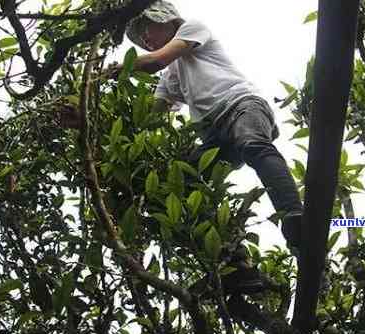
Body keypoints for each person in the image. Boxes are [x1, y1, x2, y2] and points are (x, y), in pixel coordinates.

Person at [112, 0, 304, 293]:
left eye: (145, 29)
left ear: (166, 19)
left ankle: (296, 219)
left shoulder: (192, 29)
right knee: (181, 186)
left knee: (253, 145)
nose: (145, 40)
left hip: (241, 104)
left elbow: (154, 61)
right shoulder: (171, 75)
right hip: (215, 135)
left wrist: (112, 71)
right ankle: (238, 266)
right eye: (139, 39)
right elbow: (150, 115)